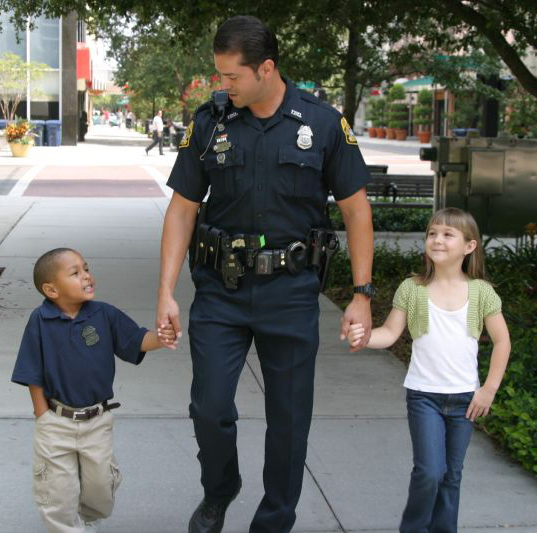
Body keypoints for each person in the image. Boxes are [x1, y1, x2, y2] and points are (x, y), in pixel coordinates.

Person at [158, 15, 374, 533]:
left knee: (289, 421)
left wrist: (363, 293)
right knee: (208, 408)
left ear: (266, 68)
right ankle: (220, 489)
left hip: (291, 293)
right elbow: (183, 208)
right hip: (220, 290)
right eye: (220, 76)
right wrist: (165, 290)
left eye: (232, 76)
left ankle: (274, 520)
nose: (223, 85)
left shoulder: (321, 123)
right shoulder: (208, 122)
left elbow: (356, 210)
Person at [347, 207, 510, 533]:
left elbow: (502, 342)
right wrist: (364, 337)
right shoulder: (413, 289)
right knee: (429, 471)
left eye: (447, 234)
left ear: (469, 246)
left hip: (465, 398)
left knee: (451, 475)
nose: (437, 239)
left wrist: (488, 389)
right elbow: (390, 333)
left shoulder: (481, 293)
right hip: (424, 397)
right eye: (432, 233)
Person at [11, 248, 176, 533]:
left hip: (97, 422)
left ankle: (87, 519)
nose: (86, 275)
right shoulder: (40, 320)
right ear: (51, 289)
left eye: (86, 268)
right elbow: (32, 372)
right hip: (56, 422)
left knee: (99, 488)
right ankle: (68, 526)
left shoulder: (104, 314)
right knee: (57, 492)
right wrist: (43, 415)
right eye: (75, 273)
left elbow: (136, 340)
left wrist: (160, 337)